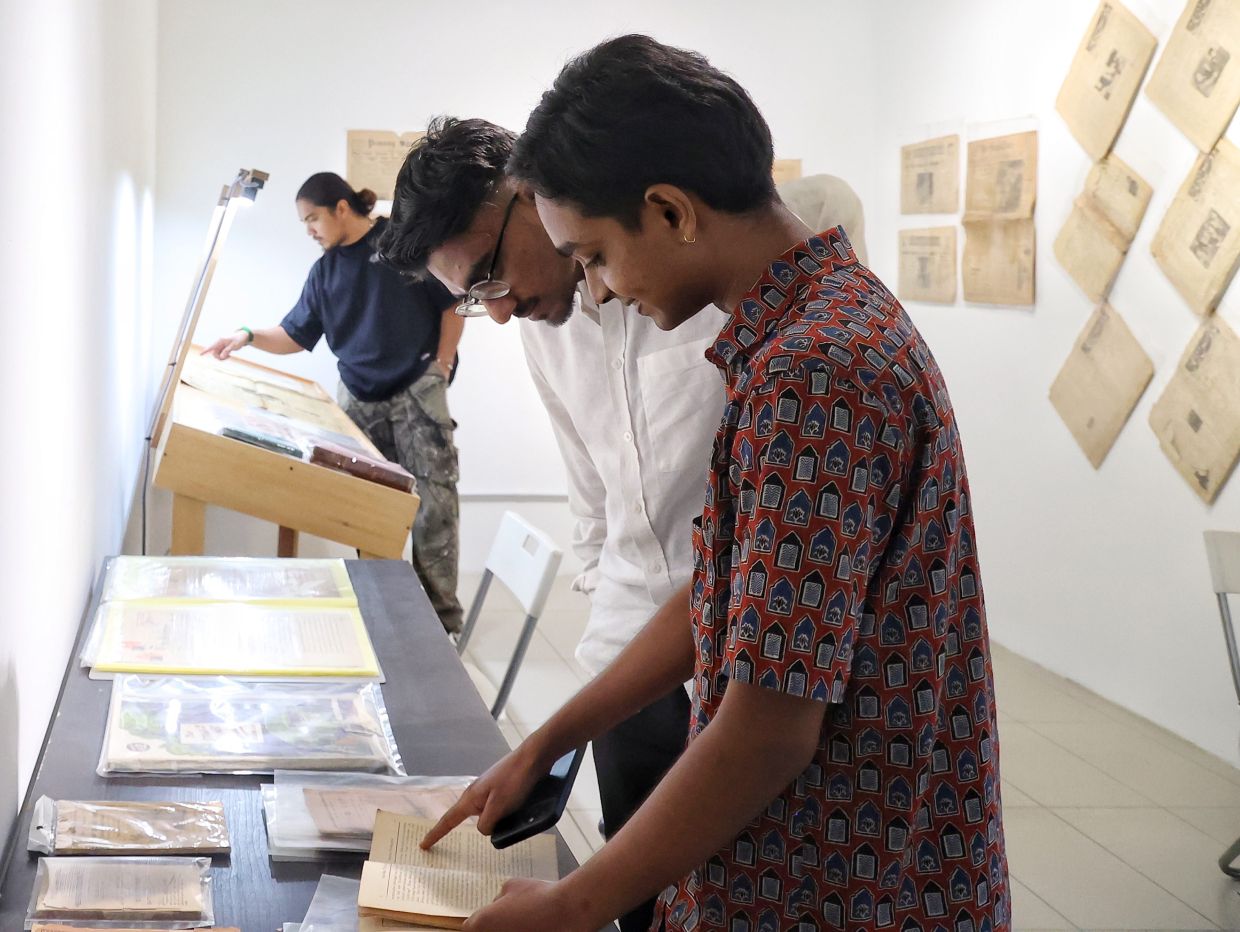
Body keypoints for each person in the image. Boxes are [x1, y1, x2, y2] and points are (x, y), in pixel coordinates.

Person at [422, 35, 1010, 932]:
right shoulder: (812, 332)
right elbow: (727, 592)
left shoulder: (812, 375)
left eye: (593, 258)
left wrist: (576, 904)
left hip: (834, 881)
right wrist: (549, 740)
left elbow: (768, 730)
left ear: (670, 211)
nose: (602, 293)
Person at [379, 118, 869, 932]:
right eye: (471, 298)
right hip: (646, 653)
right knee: (654, 901)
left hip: (767, 670)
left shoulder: (793, 347)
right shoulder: (554, 323)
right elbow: (611, 510)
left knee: (741, 884)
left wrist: (574, 903)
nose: (496, 314)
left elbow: (772, 714)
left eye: (493, 276)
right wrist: (557, 733)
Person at [202, 172, 465, 633]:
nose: (310, 231)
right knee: (367, 507)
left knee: (435, 506)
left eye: (313, 219)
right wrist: (244, 336)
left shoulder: (401, 241)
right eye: (305, 223)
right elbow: (293, 335)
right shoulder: (325, 272)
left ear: (342, 208)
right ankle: (389, 614)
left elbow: (451, 301)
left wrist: (439, 367)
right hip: (359, 397)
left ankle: (441, 623)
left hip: (417, 389)